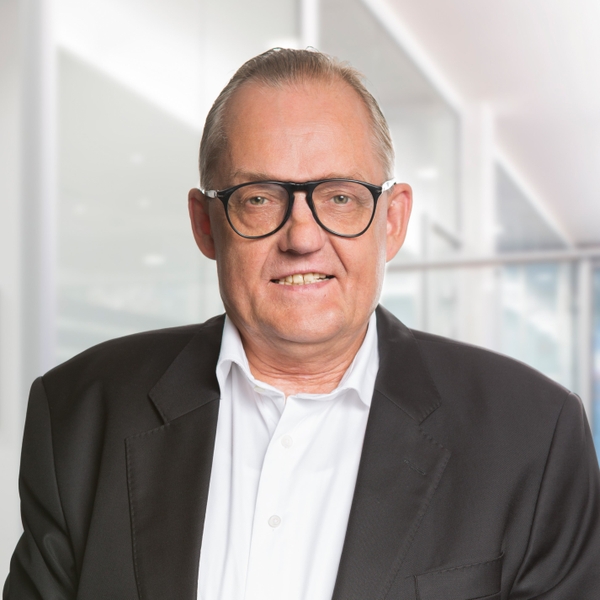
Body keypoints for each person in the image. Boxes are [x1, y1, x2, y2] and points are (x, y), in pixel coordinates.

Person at [4, 48, 600, 600]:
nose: (303, 237)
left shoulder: (534, 436)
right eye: (259, 197)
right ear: (205, 224)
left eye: (340, 197)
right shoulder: (81, 412)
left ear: (392, 221)